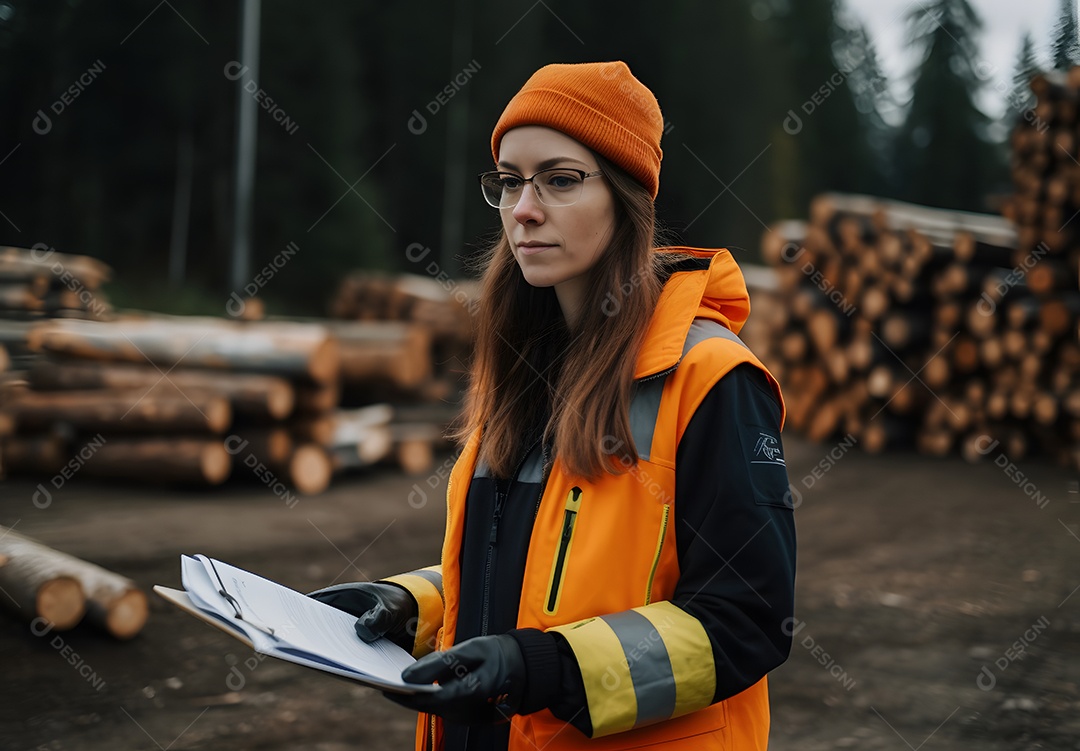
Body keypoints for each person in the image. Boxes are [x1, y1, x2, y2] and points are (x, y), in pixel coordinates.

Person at [310, 61, 797, 751]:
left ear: (629, 199)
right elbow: (527, 568)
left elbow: (748, 618)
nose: (524, 208)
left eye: (560, 180)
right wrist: (409, 606)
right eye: (509, 181)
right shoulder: (524, 367)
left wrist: (545, 666)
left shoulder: (713, 378)